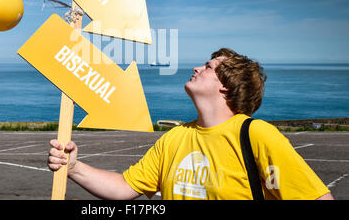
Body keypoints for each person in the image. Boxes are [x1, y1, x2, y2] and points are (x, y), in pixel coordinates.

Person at [48, 48, 333, 200]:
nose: (197, 68)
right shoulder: (176, 138)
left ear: (226, 86)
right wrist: (74, 167)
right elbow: (124, 187)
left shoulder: (256, 134)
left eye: (209, 67)